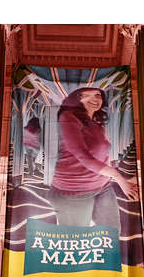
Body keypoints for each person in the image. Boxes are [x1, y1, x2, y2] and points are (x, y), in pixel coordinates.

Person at [48, 87, 138, 230]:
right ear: (76, 100)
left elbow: (102, 157)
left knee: (112, 233)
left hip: (102, 187)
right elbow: (83, 156)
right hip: (73, 191)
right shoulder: (68, 117)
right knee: (76, 239)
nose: (95, 99)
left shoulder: (95, 124)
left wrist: (122, 178)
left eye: (98, 95)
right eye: (86, 95)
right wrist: (119, 179)